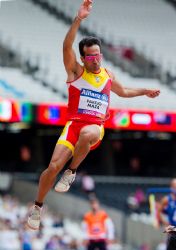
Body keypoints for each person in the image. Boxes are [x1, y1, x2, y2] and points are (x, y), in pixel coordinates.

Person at [27, 0, 160, 230]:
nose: (96, 59)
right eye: (91, 57)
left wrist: (144, 91)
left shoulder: (107, 75)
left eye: (98, 55)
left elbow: (124, 91)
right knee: (51, 168)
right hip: (73, 126)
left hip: (94, 128)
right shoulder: (76, 71)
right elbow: (66, 47)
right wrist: (78, 19)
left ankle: (72, 171)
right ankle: (37, 206)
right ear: (83, 58)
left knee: (87, 134)